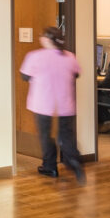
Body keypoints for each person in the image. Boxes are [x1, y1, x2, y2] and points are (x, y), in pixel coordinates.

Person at [20, 27, 85, 183]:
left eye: (42, 36)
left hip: (43, 103)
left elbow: (24, 76)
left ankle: (50, 166)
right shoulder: (70, 56)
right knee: (66, 135)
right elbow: (76, 74)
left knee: (46, 135)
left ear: (48, 39)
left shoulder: (35, 56)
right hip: (65, 103)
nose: (40, 39)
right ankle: (73, 160)